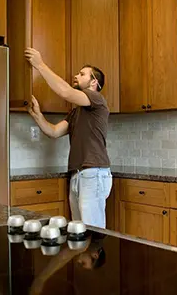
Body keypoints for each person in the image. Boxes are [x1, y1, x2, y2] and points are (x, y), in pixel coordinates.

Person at [24, 48, 112, 229]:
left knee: (91, 232)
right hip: (78, 175)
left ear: (94, 82)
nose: (76, 76)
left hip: (93, 174)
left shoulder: (97, 99)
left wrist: (40, 64)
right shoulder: (76, 112)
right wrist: (37, 115)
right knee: (79, 232)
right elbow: (54, 132)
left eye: (82, 74)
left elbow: (65, 92)